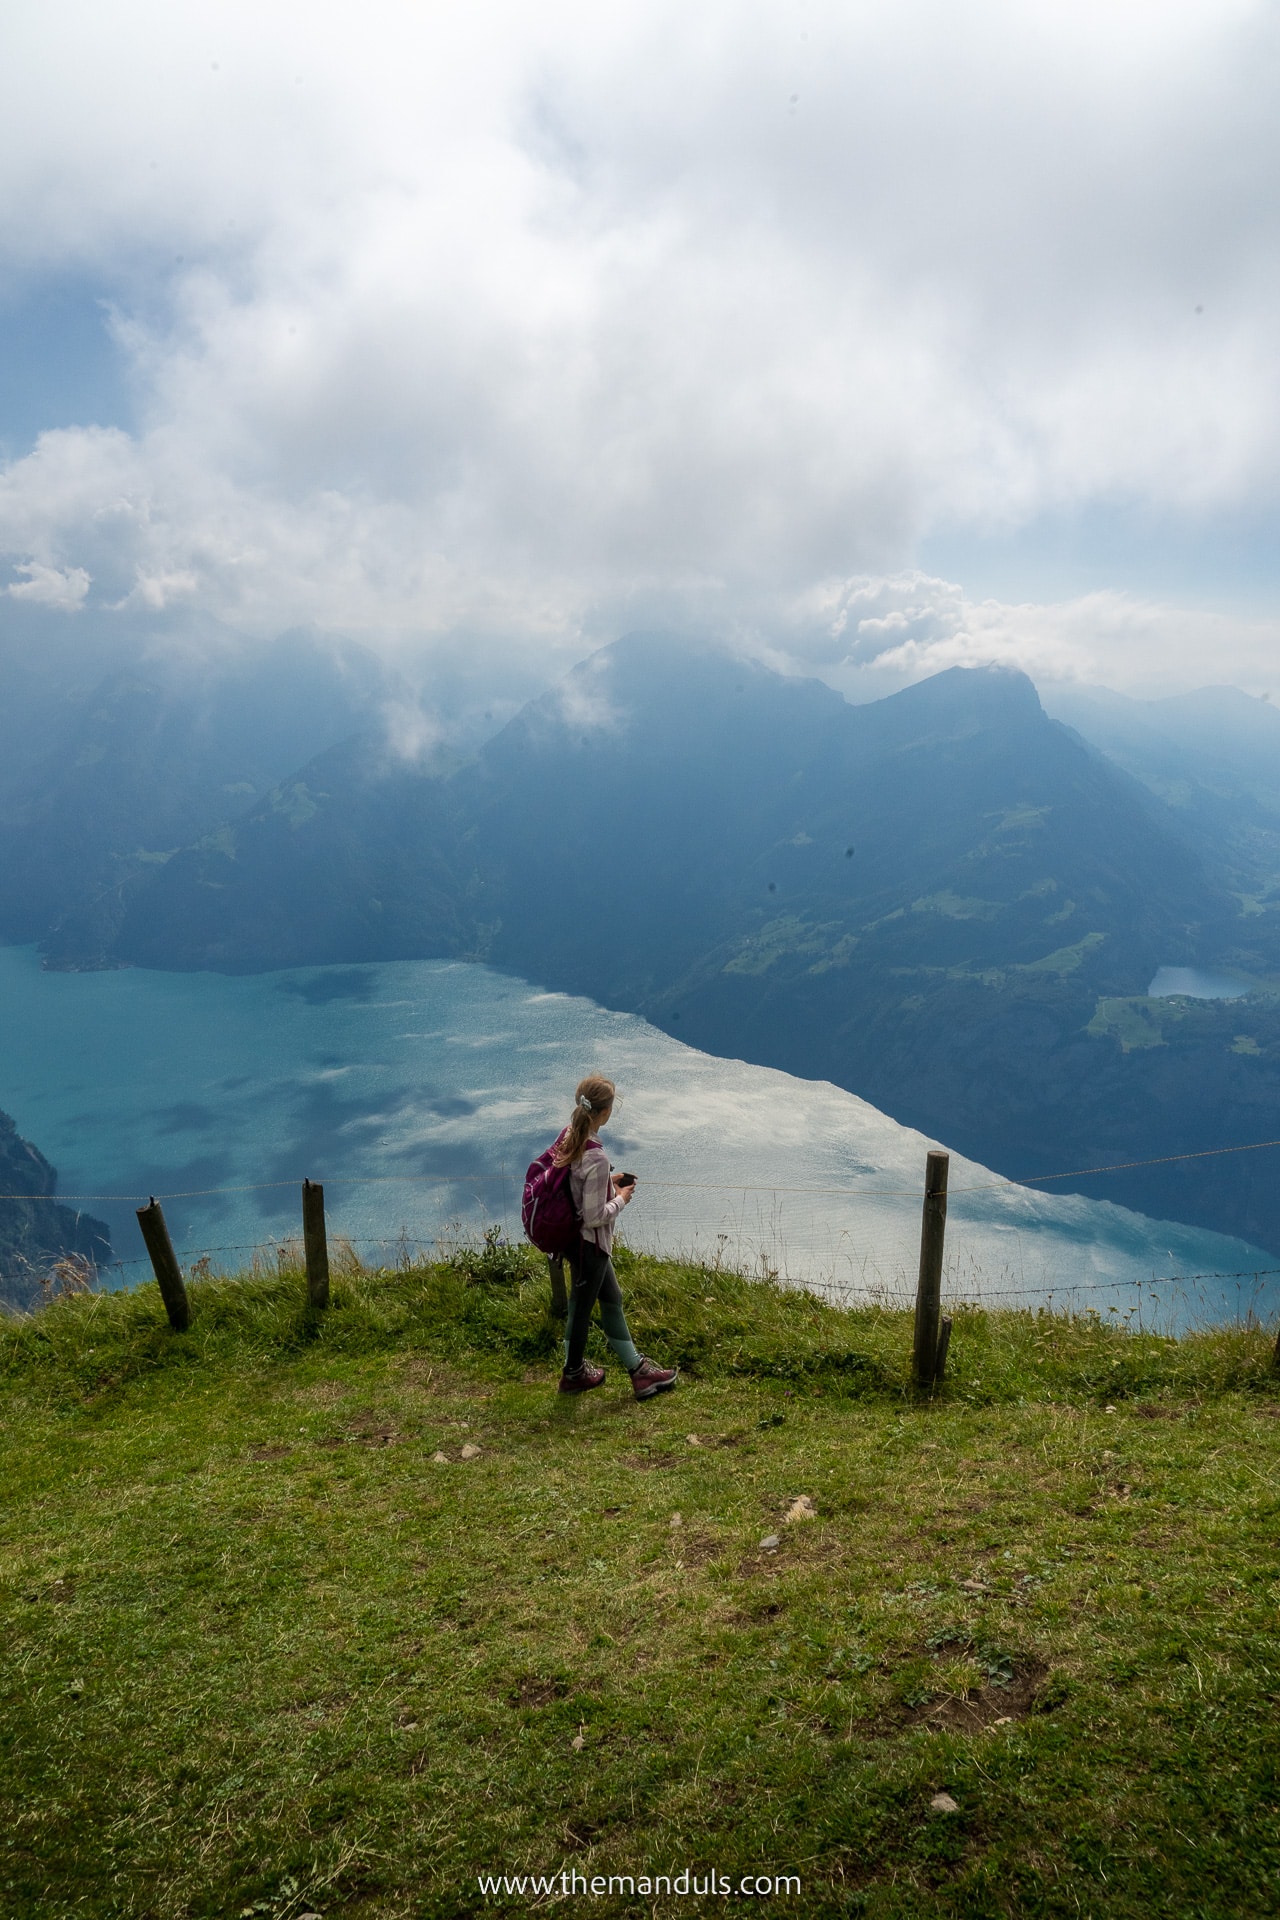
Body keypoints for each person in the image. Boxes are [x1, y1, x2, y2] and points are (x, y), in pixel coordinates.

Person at [555, 1075, 678, 1400]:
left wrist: (610, 1180)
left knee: (612, 1300)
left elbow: (576, 1186)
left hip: (576, 1242)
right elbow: (595, 1216)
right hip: (589, 1246)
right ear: (606, 1112)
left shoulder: (570, 1137)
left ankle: (639, 1373)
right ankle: (573, 1375)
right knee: (582, 1309)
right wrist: (621, 1197)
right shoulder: (596, 1157)